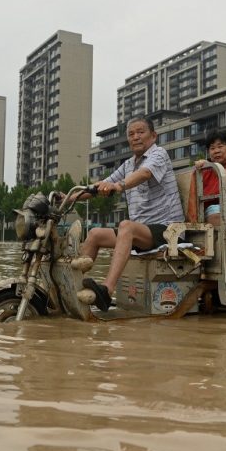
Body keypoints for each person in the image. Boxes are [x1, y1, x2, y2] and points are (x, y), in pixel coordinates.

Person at [78, 116, 185, 311]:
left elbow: (144, 174)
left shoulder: (159, 154)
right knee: (94, 234)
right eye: (131, 134)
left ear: (153, 135)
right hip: (142, 231)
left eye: (140, 132)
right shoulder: (128, 164)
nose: (135, 137)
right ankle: (75, 288)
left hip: (169, 230)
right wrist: (67, 197)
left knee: (126, 226)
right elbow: (100, 184)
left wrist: (118, 185)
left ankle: (106, 291)